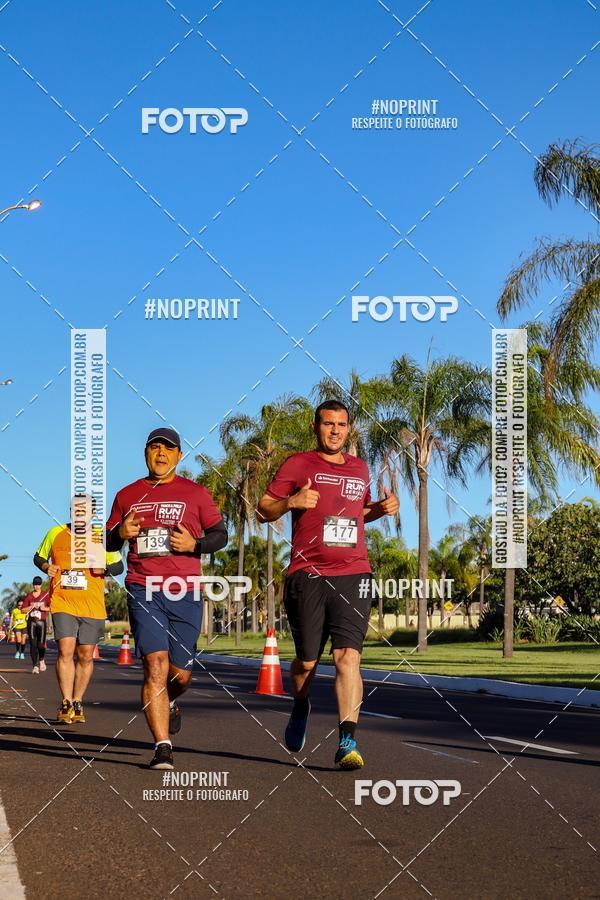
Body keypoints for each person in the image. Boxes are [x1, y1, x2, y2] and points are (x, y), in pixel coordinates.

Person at [258, 400, 399, 770]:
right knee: (306, 663)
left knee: (347, 657)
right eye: (328, 424)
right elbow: (262, 509)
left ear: (348, 429)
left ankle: (347, 740)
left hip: (354, 573)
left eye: (341, 424)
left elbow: (357, 515)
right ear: (315, 426)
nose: (335, 430)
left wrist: (379, 511)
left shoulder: (359, 468)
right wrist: (292, 501)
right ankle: (301, 705)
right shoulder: (298, 464)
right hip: (307, 576)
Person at [106, 427, 227, 770]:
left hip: (183, 589)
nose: (161, 454)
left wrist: (195, 545)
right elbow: (109, 540)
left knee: (180, 676)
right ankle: (162, 746)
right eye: (154, 448)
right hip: (143, 586)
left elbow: (221, 535)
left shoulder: (196, 493)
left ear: (178, 456)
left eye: (168, 449)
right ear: (145, 453)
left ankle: (169, 702)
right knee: (154, 666)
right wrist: (121, 533)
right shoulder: (127, 495)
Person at [34, 498, 124, 724]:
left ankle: (77, 701)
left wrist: (104, 567)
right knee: (65, 650)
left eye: (85, 510)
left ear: (93, 514)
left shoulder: (102, 537)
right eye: (76, 509)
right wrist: (47, 567)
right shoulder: (56, 532)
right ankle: (65, 702)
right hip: (63, 601)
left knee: (85, 655)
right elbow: (39, 557)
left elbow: (119, 566)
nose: (80, 513)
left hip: (92, 605)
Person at [22, 576, 50, 673]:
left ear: (41, 585)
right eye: (35, 584)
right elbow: (22, 610)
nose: (36, 586)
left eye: (38, 584)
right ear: (33, 585)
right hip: (32, 622)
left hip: (41, 622)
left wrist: (44, 608)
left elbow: (53, 607)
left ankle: (41, 659)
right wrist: (30, 606)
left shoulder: (45, 595)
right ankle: (35, 666)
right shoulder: (29, 596)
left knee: (41, 645)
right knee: (33, 644)